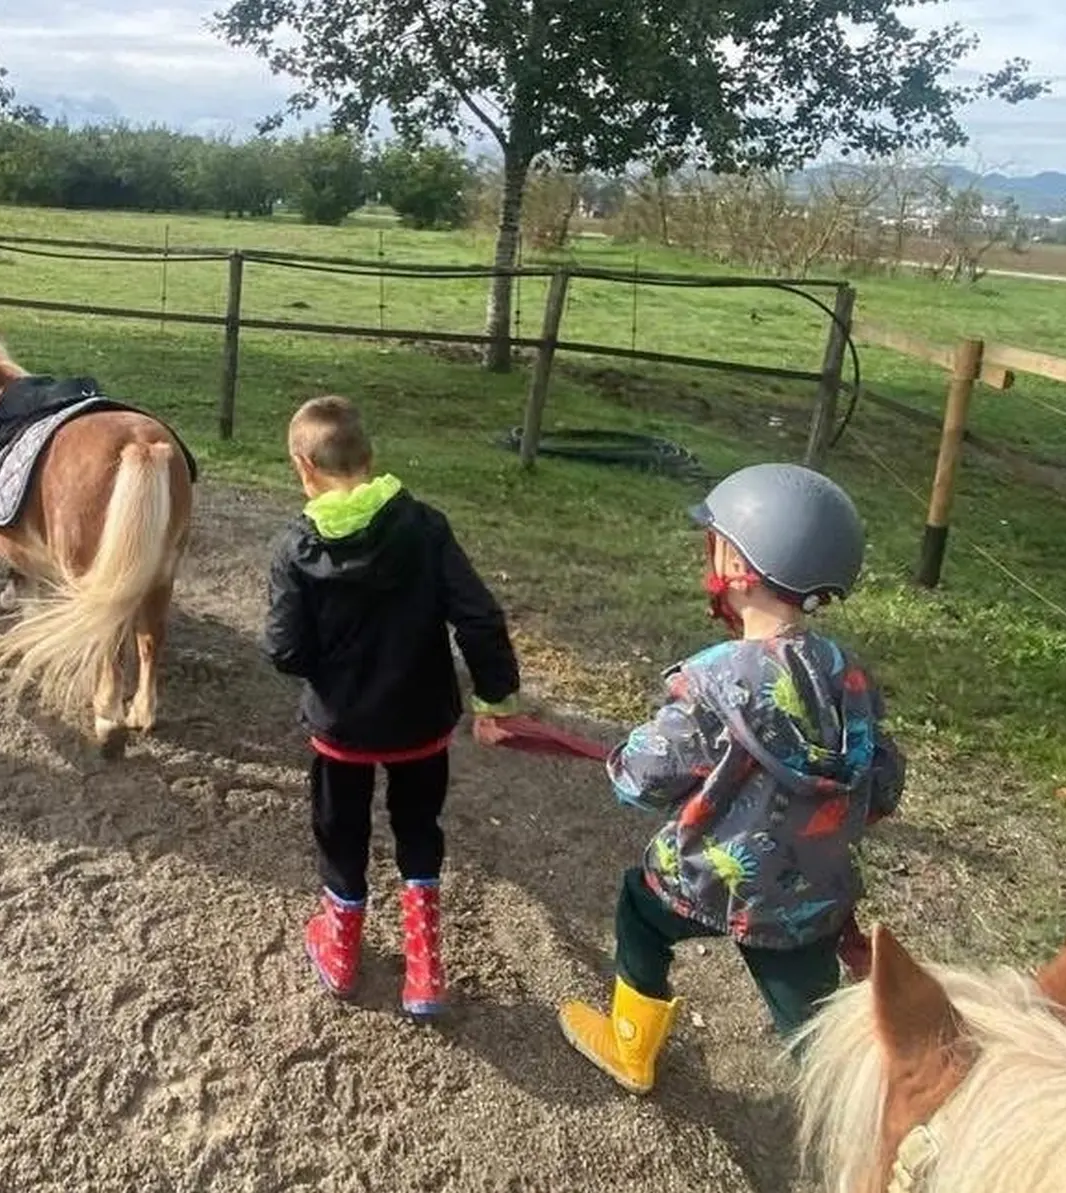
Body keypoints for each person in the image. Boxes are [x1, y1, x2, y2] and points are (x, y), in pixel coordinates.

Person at [560, 462, 904, 1094]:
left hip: (707, 880)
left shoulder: (715, 681)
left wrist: (623, 760)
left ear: (739, 569)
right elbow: (882, 780)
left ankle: (632, 1052)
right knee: (814, 1031)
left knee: (640, 908)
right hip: (810, 898)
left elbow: (642, 779)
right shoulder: (848, 673)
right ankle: (871, 1131)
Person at [264, 396, 521, 1020]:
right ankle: (426, 968)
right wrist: (494, 699)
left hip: (341, 729)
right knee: (418, 828)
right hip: (421, 723)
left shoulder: (294, 549)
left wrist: (326, 661)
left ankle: (343, 948)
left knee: (340, 830)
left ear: (303, 466)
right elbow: (479, 618)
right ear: (371, 460)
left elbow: (286, 651)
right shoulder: (426, 527)